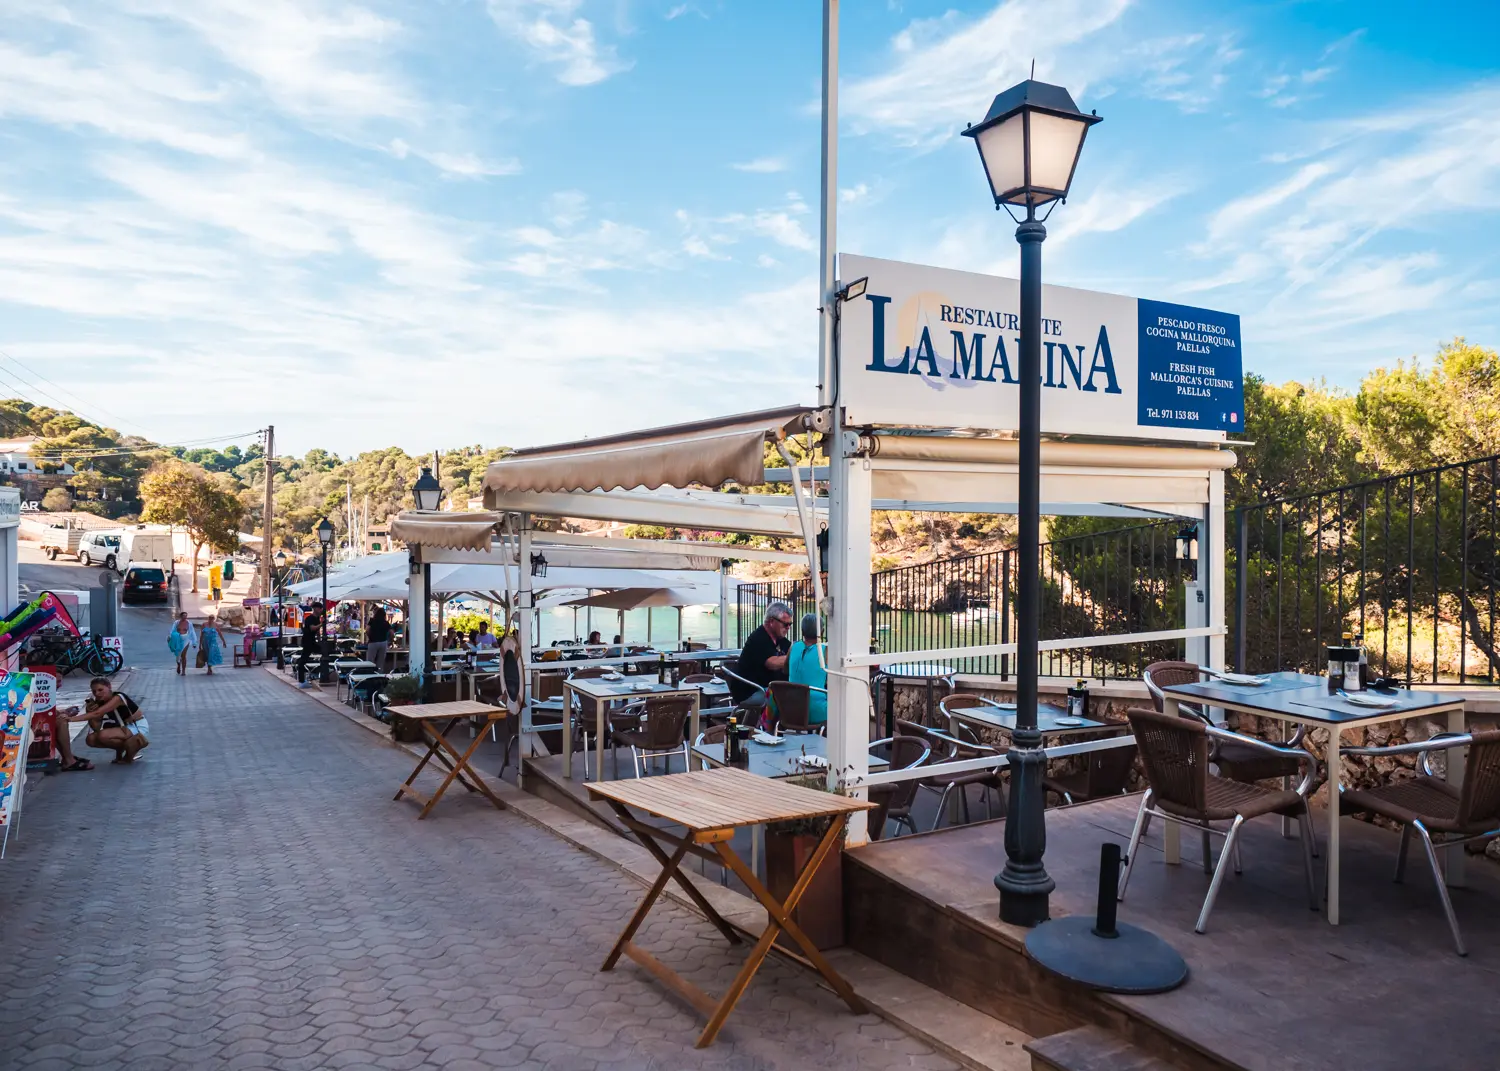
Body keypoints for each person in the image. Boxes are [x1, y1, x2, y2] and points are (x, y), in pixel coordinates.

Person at [54, 678, 149, 766]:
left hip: (136, 726)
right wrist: (89, 711)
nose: (97, 694)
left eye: (100, 690)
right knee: (91, 739)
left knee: (103, 735)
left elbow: (97, 713)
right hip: (123, 728)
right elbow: (96, 727)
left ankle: (132, 750)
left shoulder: (118, 697)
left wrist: (71, 719)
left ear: (109, 687)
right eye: (94, 691)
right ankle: (126, 749)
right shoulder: (99, 702)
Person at [731, 602, 793, 715]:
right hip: (751, 691)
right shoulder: (759, 638)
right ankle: (775, 729)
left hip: (764, 687)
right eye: (785, 624)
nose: (788, 628)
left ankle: (779, 728)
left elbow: (791, 649)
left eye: (790, 624)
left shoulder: (779, 639)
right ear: (771, 621)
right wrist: (796, 656)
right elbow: (772, 663)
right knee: (791, 697)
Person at [787, 614, 828, 725]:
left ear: (802, 630)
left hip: (790, 710)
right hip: (816, 711)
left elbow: (785, 670)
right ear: (822, 631)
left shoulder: (793, 647)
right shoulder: (826, 651)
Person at [297, 609, 322, 687]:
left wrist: (320, 641)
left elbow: (317, 632)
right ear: (316, 609)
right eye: (320, 609)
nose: (321, 610)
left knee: (326, 653)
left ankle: (319, 673)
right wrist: (322, 624)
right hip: (307, 642)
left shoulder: (317, 619)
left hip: (312, 642)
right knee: (303, 661)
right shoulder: (309, 618)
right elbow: (313, 628)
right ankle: (302, 681)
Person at [366, 607, 391, 671]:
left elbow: (367, 630)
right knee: (381, 661)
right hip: (383, 642)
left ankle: (370, 673)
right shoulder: (386, 623)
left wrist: (370, 636)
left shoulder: (372, 621)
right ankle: (379, 674)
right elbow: (392, 632)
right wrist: (389, 639)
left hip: (373, 642)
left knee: (370, 661)